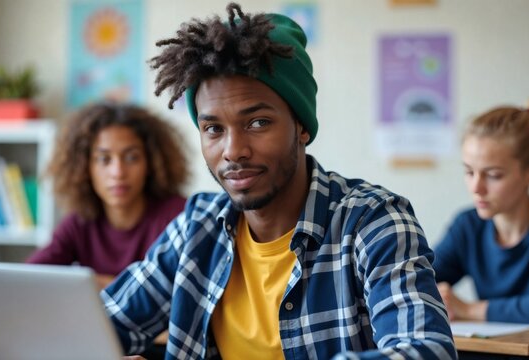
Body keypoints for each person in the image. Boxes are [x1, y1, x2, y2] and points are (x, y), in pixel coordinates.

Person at [103, 3, 456, 359]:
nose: (233, 151)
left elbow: (427, 350)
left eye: (257, 123)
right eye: (213, 129)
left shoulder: (373, 221)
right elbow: (98, 327)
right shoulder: (196, 229)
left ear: (301, 125)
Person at [433, 99, 529, 328]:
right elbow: (418, 280)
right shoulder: (467, 225)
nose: (476, 188)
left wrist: (469, 309)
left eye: (494, 175)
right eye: (469, 172)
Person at [26, 102, 189, 289]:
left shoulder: (179, 216)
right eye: (104, 159)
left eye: (131, 157)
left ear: (151, 163)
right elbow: (29, 278)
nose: (118, 172)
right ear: (85, 167)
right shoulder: (80, 222)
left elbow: (181, 296)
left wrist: (98, 283)